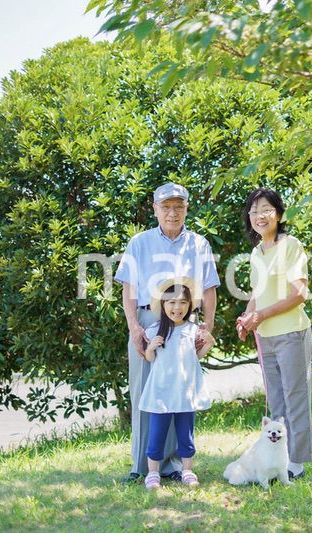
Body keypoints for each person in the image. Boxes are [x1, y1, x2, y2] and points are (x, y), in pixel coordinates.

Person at [114, 182, 220, 483]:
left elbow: (210, 289)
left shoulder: (200, 244)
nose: (172, 213)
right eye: (166, 207)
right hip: (149, 322)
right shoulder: (139, 242)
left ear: (187, 208)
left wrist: (207, 327)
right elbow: (129, 290)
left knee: (180, 392)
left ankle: (175, 466)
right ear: (155, 209)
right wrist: (134, 327)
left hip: (185, 324)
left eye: (179, 206)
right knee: (145, 394)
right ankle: (142, 467)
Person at [236, 188, 312, 480]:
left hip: (291, 332)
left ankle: (297, 461)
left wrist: (262, 315)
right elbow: (258, 293)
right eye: (254, 211)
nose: (259, 216)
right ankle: (278, 459)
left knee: (295, 398)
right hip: (265, 336)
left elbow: (300, 293)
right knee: (276, 401)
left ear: (279, 214)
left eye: (266, 209)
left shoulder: (290, 245)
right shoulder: (257, 251)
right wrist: (247, 318)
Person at [141, 278, 213, 490]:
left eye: (182, 302)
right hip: (161, 391)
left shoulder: (192, 330)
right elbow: (149, 359)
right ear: (163, 305)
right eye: (171, 302)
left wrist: (209, 342)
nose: (177, 307)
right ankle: (153, 473)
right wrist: (150, 347)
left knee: (186, 433)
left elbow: (195, 357)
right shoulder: (155, 330)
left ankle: (187, 470)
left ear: (189, 305)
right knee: (157, 434)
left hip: (185, 391)